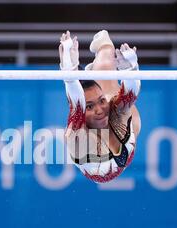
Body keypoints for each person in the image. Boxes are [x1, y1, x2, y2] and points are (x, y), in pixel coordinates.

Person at [59, 30, 141, 183]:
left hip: (122, 137)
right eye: (89, 107)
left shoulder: (112, 110)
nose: (99, 110)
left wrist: (130, 70)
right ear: (83, 112)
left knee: (107, 62)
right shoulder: (77, 137)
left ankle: (102, 50)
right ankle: (88, 71)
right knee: (104, 70)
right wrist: (69, 71)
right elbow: (76, 101)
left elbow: (131, 94)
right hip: (107, 150)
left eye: (101, 101)